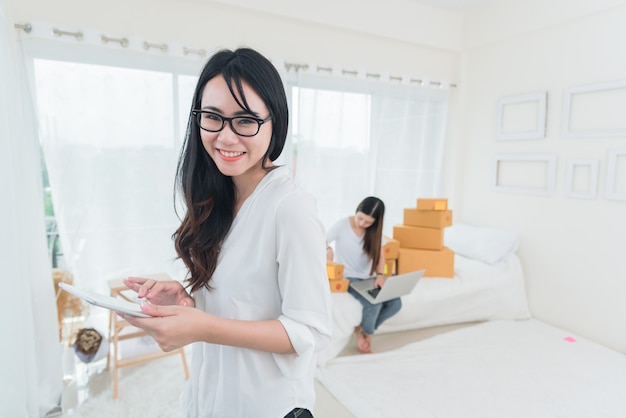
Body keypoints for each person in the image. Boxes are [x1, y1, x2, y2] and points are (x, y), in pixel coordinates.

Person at [118, 47, 332, 418]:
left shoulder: (290, 207)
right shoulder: (218, 200)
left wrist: (204, 327)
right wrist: (189, 302)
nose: (226, 137)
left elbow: (309, 333)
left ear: (274, 122)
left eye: (245, 120)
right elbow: (245, 303)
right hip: (211, 401)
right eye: (213, 117)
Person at [326, 196, 401, 354]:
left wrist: (380, 275)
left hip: (369, 278)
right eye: (360, 218)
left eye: (368, 222)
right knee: (374, 303)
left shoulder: (374, 232)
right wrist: (328, 252)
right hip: (348, 278)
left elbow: (381, 256)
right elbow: (323, 240)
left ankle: (363, 329)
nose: (362, 224)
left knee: (396, 303)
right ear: (357, 211)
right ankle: (367, 336)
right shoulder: (341, 225)